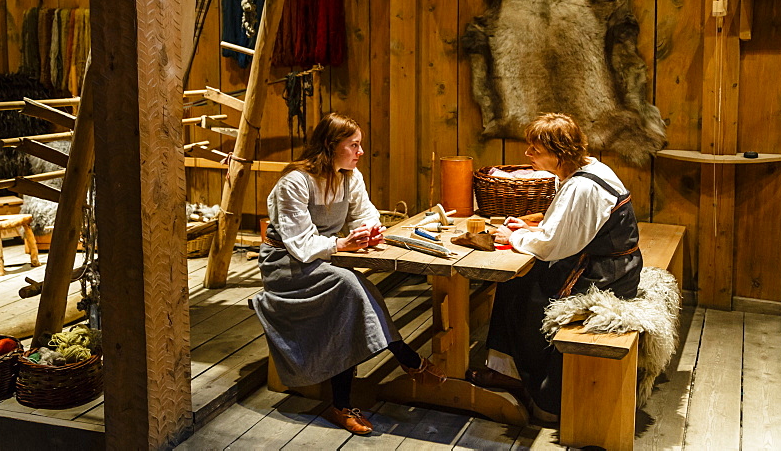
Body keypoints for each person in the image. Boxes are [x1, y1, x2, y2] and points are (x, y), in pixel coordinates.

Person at [251, 113, 446, 435]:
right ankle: (409, 359)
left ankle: (342, 404)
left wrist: (370, 232)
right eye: (353, 145)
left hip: (322, 259)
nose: (360, 152)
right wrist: (341, 242)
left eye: (360, 145)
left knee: (351, 293)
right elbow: (299, 244)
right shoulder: (295, 182)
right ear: (330, 146)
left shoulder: (349, 176)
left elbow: (364, 212)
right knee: (350, 287)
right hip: (285, 265)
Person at [469, 112, 643, 421]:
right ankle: (508, 372)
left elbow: (551, 247)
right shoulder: (588, 169)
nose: (528, 155)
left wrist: (516, 234)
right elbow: (571, 231)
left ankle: (540, 392)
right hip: (608, 263)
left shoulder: (582, 186)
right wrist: (532, 230)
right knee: (518, 280)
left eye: (535, 149)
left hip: (605, 275)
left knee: (523, 285)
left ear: (559, 152)